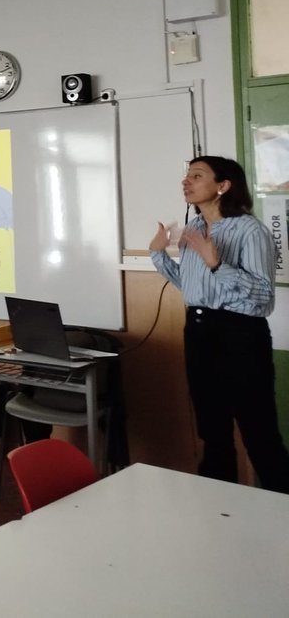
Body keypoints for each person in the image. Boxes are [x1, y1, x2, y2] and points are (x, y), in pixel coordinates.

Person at [150, 156, 289, 492]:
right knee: (212, 432)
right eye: (187, 175)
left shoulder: (249, 230)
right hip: (199, 331)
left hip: (240, 335)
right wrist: (158, 255)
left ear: (223, 186)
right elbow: (193, 287)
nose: (186, 181)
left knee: (259, 433)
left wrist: (216, 264)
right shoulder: (195, 229)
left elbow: (261, 294)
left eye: (197, 175)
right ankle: (217, 511)